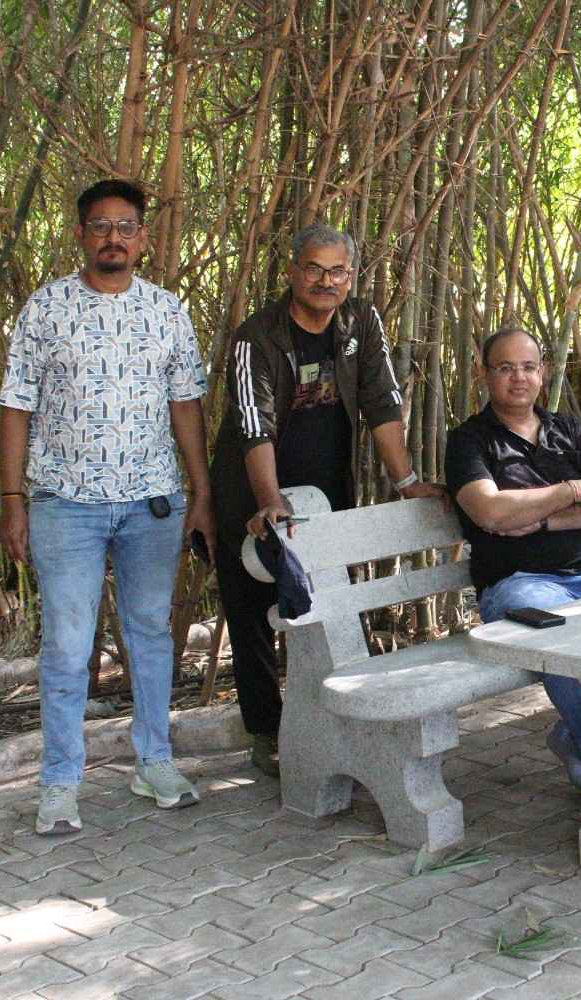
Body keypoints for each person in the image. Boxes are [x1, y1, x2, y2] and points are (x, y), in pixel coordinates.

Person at [0, 178, 214, 835]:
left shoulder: (166, 311)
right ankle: (61, 783)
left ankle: (156, 761)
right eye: (100, 226)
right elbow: (15, 406)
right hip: (65, 503)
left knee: (150, 634)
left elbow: (186, 404)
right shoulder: (46, 308)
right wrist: (12, 500)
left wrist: (200, 492)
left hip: (151, 502)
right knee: (66, 644)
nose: (113, 237)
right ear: (80, 235)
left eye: (125, 227)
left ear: (143, 240)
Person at [209, 224, 442, 777]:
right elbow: (252, 426)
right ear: (292, 271)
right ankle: (267, 731)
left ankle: (329, 717)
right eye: (313, 268)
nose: (325, 281)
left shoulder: (361, 322)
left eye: (337, 271)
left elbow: (383, 403)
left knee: (325, 602)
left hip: (325, 488)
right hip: (251, 488)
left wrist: (406, 480)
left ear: (351, 276)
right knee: (251, 612)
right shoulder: (256, 337)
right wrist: (269, 501)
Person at [445, 327, 581, 798]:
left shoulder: (567, 428)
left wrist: (535, 521)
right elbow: (491, 512)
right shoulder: (469, 442)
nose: (518, 377)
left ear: (544, 372)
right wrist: (572, 491)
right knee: (563, 650)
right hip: (521, 585)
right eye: (505, 367)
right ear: (484, 374)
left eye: (528, 366)